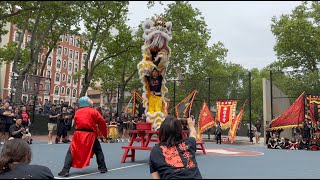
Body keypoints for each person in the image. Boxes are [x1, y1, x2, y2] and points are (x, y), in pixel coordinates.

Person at [58, 96, 108, 177]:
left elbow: (76, 123)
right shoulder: (94, 111)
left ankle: (65, 170)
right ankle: (102, 167)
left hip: (78, 134)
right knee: (98, 150)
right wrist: (105, 135)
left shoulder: (77, 112)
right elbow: (101, 123)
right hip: (90, 135)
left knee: (71, 151)